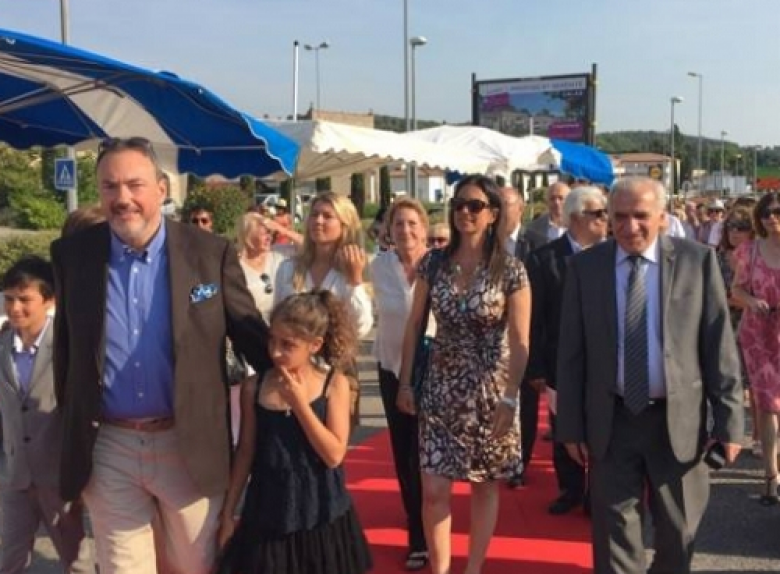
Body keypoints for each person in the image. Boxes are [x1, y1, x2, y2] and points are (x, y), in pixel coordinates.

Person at [50, 137, 273, 574]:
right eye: (110, 186)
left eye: (134, 184)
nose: (122, 198)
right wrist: (71, 434)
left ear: (161, 189)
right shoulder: (72, 256)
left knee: (196, 564)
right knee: (122, 567)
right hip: (108, 444)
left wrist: (302, 378)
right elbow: (66, 352)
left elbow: (250, 334)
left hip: (187, 443)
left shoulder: (209, 253)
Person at [556, 176, 743, 574]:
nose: (630, 226)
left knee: (678, 534)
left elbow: (719, 346)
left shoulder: (696, 261)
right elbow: (571, 353)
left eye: (640, 216)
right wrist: (570, 425)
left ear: (662, 217)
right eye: (619, 216)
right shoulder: (585, 267)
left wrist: (730, 423)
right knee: (614, 540)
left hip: (677, 423)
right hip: (612, 422)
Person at [397, 174, 531, 574]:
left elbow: (520, 339)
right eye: (459, 205)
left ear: (493, 214)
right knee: (434, 490)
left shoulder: (511, 269)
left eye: (475, 206)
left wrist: (511, 396)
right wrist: (405, 382)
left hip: (491, 391)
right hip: (440, 386)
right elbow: (414, 324)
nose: (465, 213)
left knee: (483, 484)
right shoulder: (433, 263)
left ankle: (473, 568)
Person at [216, 291, 373, 574]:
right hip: (267, 514)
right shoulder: (255, 387)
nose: (275, 352)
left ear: (315, 345)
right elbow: (246, 451)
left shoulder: (334, 385)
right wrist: (228, 512)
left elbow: (333, 455)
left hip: (321, 513)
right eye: (272, 340)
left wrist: (300, 404)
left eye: (287, 345)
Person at [0, 256, 93, 574]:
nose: (15, 308)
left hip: (58, 477)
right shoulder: (2, 345)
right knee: (10, 559)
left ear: (49, 300)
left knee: (76, 560)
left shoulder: (68, 345)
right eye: (9, 299)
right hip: (15, 476)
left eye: (25, 299)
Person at [526, 186, 608, 516]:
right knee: (564, 425)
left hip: (603, 359)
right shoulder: (544, 259)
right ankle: (570, 489)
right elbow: (534, 318)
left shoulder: (614, 256)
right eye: (598, 214)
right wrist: (535, 366)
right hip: (560, 359)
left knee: (601, 426)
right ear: (576, 219)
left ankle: (597, 492)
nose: (605, 219)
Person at [274, 191, 373, 428]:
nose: (318, 221)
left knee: (332, 441)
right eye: (314, 215)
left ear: (345, 225)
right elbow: (277, 319)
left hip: (337, 368)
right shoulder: (289, 268)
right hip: (294, 367)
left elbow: (362, 326)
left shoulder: (354, 268)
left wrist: (354, 281)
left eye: (327, 216)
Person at [371, 198, 431, 571]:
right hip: (391, 369)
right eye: (398, 224)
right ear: (388, 231)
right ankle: (417, 529)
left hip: (432, 372)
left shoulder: (440, 265)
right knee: (404, 450)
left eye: (412, 223)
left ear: (424, 229)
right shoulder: (378, 267)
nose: (405, 230)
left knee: (426, 453)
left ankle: (430, 522)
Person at [732, 192, 780, 504]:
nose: (771, 217)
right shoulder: (749, 251)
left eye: (777, 211)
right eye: (765, 213)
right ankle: (771, 477)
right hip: (758, 336)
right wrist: (752, 301)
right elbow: (736, 289)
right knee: (767, 404)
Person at [498, 184, 543, 489]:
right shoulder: (482, 243)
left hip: (525, 333)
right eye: (497, 205)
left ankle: (519, 462)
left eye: (507, 204)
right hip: (490, 335)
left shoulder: (536, 245)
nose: (501, 211)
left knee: (525, 402)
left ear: (521, 208)